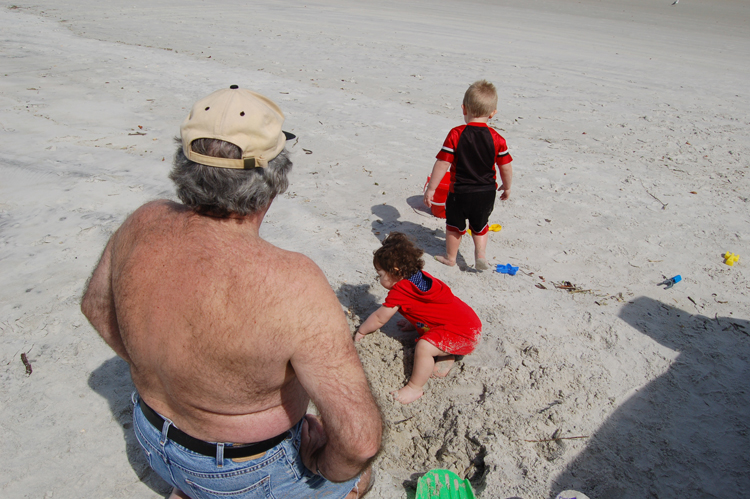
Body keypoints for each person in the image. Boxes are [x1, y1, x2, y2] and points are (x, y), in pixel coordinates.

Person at [81, 85, 382, 499]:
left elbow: (95, 307)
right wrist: (320, 464)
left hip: (152, 435)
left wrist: (163, 374)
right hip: (245, 471)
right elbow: (360, 441)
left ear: (184, 163)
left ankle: (187, 487)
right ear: (275, 177)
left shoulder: (143, 221)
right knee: (357, 478)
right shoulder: (293, 282)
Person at [354, 233, 482, 404]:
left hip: (463, 335)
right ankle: (447, 354)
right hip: (468, 325)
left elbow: (379, 318)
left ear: (395, 272)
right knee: (430, 337)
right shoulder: (420, 278)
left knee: (423, 347)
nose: (379, 279)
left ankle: (415, 387)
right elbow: (430, 308)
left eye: (380, 274)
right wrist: (415, 322)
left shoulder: (400, 291)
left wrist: (361, 330)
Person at [423, 80, 514, 271]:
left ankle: (450, 258)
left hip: (460, 192)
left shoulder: (456, 134)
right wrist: (507, 186)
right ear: (492, 113)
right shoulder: (497, 138)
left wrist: (432, 188)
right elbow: (505, 165)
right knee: (481, 225)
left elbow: (443, 163)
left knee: (454, 226)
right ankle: (480, 255)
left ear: (464, 109)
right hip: (486, 192)